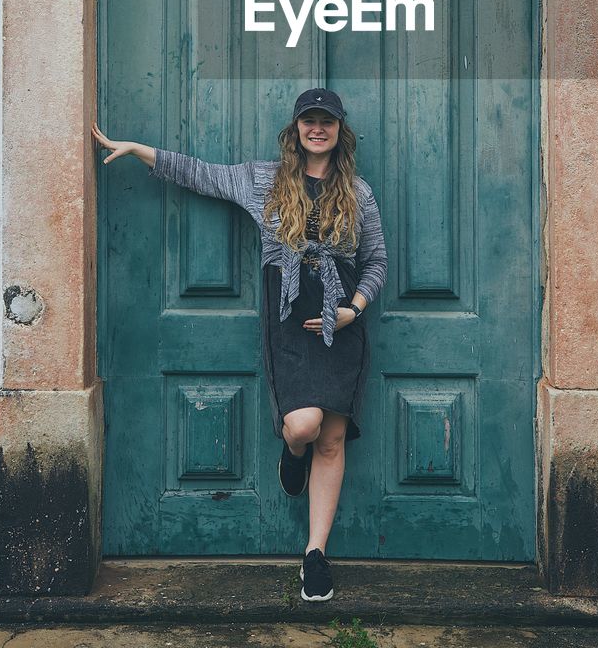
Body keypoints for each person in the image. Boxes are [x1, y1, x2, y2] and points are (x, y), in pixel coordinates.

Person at [91, 87, 388, 602]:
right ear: (296, 129)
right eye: (309, 120)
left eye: (328, 121)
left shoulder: (358, 194)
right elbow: (202, 174)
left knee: (333, 440)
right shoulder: (263, 182)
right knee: (304, 425)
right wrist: (142, 151)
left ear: (341, 131)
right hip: (291, 321)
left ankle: (315, 553)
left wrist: (354, 309)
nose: (318, 129)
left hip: (341, 323)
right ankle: (291, 452)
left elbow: (376, 262)